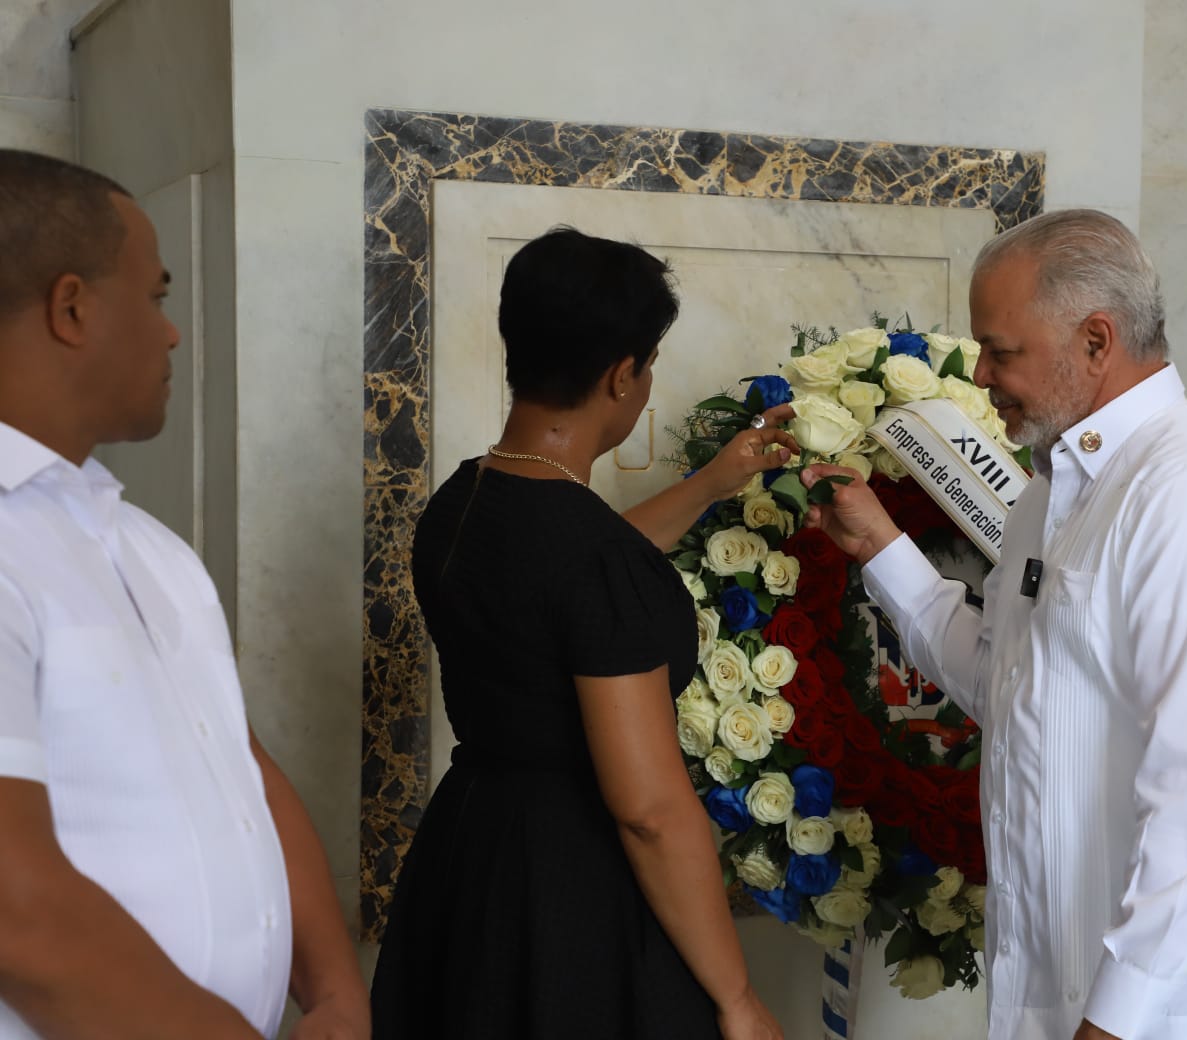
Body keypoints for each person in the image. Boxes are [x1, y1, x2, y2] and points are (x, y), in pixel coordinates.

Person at [799, 209, 1187, 1040]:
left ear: (1095, 340)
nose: (980, 375)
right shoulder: (1054, 488)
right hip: (1066, 997)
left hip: (1186, 1011)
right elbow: (1014, 690)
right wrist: (882, 549)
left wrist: (1114, 1021)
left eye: (1000, 351)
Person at [369, 227, 792, 1039]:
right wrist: (739, 998)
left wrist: (711, 483)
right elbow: (648, 810)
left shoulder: (461, 503)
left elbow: (567, 578)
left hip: (472, 852)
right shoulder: (589, 559)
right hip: (573, 889)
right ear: (622, 374)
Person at [0, 148, 368, 1038]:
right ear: (73, 307)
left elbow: (241, 768)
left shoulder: (149, 548)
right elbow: (19, 915)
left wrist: (335, 990)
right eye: (155, 296)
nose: (170, 334)